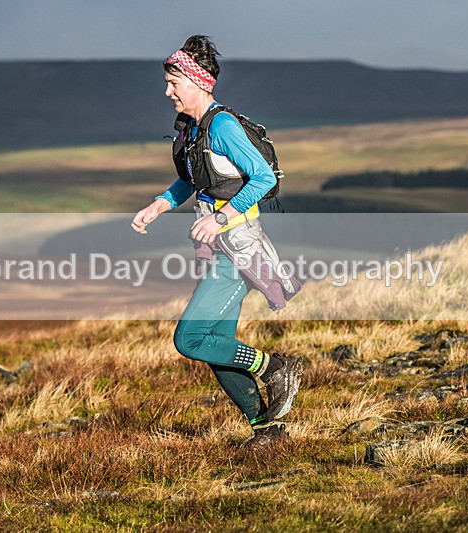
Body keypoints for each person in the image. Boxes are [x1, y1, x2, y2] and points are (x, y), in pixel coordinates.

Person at [131, 35, 303, 450]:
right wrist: (159, 205)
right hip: (219, 250)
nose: (167, 91)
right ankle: (267, 432)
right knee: (215, 346)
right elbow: (194, 180)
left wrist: (222, 217)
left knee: (188, 339)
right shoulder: (194, 129)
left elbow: (263, 177)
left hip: (238, 250)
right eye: (168, 82)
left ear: (198, 83)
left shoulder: (222, 125)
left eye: (174, 82)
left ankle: (274, 366)